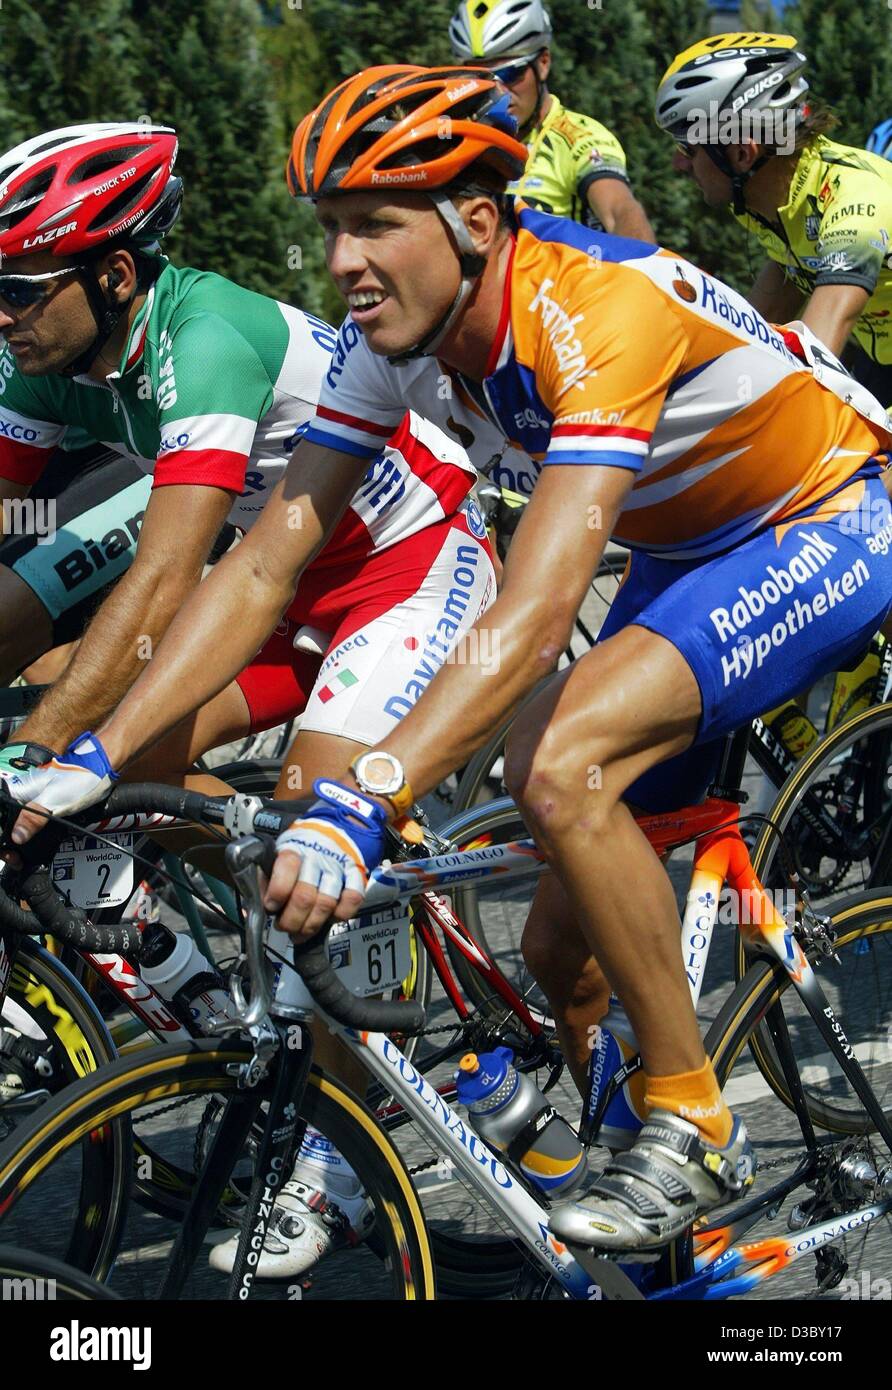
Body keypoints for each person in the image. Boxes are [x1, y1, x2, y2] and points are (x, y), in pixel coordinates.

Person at [6, 67, 892, 1256]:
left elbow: (533, 614)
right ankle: (652, 1230)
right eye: (329, 229)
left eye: (373, 224)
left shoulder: (589, 309)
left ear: (477, 222)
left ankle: (698, 1120)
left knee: (559, 762)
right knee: (552, 946)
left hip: (826, 511)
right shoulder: (390, 343)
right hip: (691, 545)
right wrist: (96, 750)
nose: (340, 263)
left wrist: (365, 799)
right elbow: (265, 561)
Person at [0, 120, 496, 1275]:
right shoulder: (37, 362)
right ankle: (246, 1024)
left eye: (19, 288)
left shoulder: (206, 332)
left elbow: (166, 577)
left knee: (294, 805)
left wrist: (49, 736)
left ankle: (350, 1140)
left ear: (112, 274)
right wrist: (69, 755)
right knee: (124, 804)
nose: (3, 315)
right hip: (278, 583)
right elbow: (13, 559)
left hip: (404, 565)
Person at [655, 33, 892, 407]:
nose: (678, 163)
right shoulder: (778, 202)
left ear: (742, 153)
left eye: (688, 146)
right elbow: (750, 336)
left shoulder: (854, 200)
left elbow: (816, 363)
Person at [449, 0, 654, 239]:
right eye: (481, 77)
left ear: (543, 63)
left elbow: (620, 211)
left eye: (510, 73)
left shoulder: (580, 136)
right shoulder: (459, 135)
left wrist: (642, 266)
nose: (498, 92)